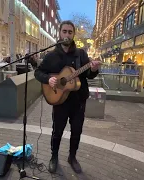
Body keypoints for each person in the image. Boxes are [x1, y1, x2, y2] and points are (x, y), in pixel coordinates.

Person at [34, 20, 100, 174]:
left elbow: (88, 75)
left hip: (78, 101)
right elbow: (38, 72)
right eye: (64, 31)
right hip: (59, 100)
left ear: (73, 34)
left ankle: (72, 157)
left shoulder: (81, 54)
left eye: (70, 32)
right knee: (57, 131)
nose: (67, 35)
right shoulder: (51, 55)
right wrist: (48, 79)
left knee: (76, 131)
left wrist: (94, 69)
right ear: (60, 33)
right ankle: (54, 157)